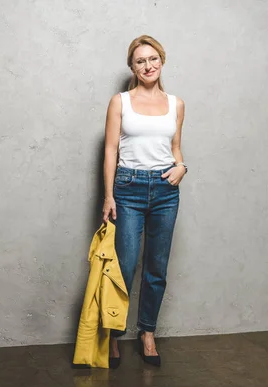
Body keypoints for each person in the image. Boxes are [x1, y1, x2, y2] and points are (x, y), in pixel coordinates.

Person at [101, 35, 187, 368]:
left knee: (157, 267)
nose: (147, 66)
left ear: (161, 61)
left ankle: (147, 332)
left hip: (166, 190)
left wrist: (181, 166)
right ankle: (113, 334)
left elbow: (176, 147)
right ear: (132, 67)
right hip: (128, 187)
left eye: (153, 59)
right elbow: (110, 149)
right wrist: (109, 195)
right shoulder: (120, 101)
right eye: (140, 61)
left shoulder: (176, 104)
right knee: (123, 266)